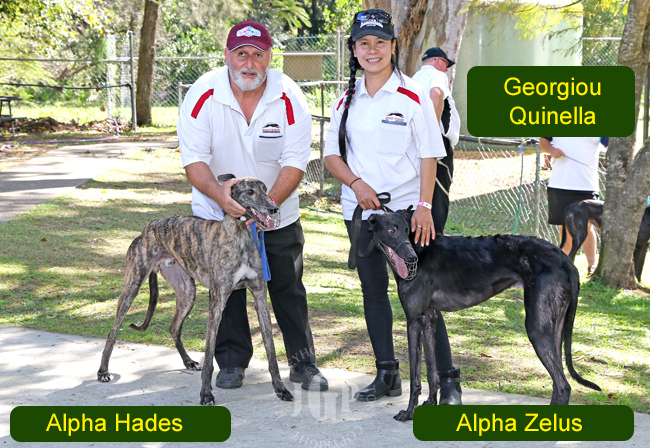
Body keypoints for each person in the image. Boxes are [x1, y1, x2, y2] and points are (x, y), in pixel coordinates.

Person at [177, 20, 328, 392]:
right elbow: (194, 160)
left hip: (276, 212)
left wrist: (266, 207)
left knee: (288, 289)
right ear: (227, 55)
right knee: (224, 288)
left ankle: (303, 364)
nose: (249, 63)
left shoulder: (290, 96)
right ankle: (231, 363)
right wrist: (221, 197)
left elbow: (295, 161)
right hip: (217, 213)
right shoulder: (202, 93)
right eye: (241, 54)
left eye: (258, 54)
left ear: (270, 57)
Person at [323, 9, 462, 404]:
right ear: (354, 49)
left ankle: (447, 381)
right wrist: (356, 183)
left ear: (393, 46)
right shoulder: (345, 100)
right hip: (362, 216)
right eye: (364, 43)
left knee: (423, 297)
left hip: (406, 215)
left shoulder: (413, 95)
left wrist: (424, 206)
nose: (373, 50)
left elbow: (429, 154)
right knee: (373, 292)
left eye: (380, 42)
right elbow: (331, 155)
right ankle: (387, 374)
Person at [540, 137, 609, 275]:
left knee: (587, 225)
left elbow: (611, 146)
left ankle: (592, 266)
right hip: (560, 184)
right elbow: (543, 141)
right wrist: (551, 150)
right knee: (564, 226)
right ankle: (565, 266)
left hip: (587, 185)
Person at [411, 46, 460, 234]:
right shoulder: (437, 75)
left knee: (420, 193)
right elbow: (436, 94)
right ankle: (435, 240)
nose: (446, 69)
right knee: (438, 195)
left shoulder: (413, 79)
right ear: (438, 61)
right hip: (437, 144)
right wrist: (432, 134)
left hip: (415, 143)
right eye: (446, 64)